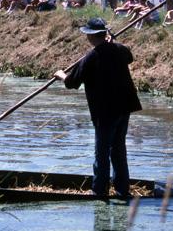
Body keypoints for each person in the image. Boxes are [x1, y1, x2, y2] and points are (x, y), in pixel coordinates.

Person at [54, 18, 142, 199]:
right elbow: (129, 56)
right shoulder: (119, 49)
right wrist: (113, 42)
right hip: (123, 107)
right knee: (118, 149)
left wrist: (61, 75)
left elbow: (72, 83)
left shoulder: (92, 57)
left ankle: (99, 190)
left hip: (105, 111)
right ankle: (121, 189)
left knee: (102, 151)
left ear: (91, 36)